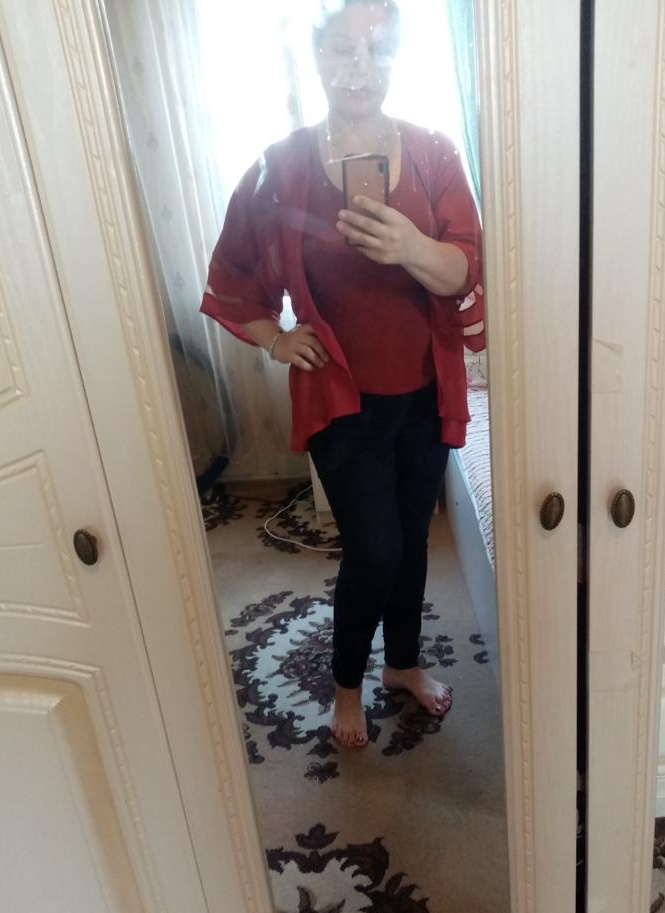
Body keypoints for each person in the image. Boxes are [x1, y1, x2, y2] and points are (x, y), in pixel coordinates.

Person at [200, 0, 485, 749]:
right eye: (344, 50)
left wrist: (410, 248)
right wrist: (275, 339)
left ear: (397, 58)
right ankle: (347, 684)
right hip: (340, 394)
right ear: (318, 56)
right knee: (375, 548)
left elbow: (464, 269)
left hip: (424, 392)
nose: (361, 68)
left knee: (412, 538)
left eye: (379, 49)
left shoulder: (434, 153)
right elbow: (230, 275)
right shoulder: (280, 166)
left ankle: (403, 664)